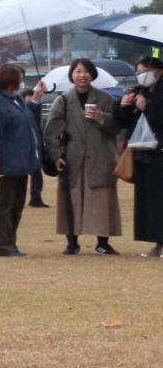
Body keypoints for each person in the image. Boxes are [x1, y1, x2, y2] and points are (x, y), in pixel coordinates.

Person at [43, 58, 121, 256]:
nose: (82, 75)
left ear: (92, 75)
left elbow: (117, 127)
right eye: (77, 71)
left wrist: (101, 117)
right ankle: (72, 242)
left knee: (102, 200)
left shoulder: (106, 99)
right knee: (71, 199)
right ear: (72, 75)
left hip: (101, 156)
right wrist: (55, 156)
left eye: (86, 71)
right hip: (72, 157)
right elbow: (51, 132)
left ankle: (103, 242)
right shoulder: (62, 101)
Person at [0, 64, 38, 258]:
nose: (22, 81)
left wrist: (34, 101)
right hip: (6, 162)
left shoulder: (16, 100)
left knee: (16, 205)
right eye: (20, 78)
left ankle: (10, 243)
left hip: (21, 162)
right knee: (4, 205)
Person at [113, 54, 163, 258]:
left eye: (144, 71)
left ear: (158, 71)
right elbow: (122, 121)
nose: (141, 76)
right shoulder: (138, 92)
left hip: (160, 152)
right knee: (147, 201)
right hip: (142, 154)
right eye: (138, 72)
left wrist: (147, 107)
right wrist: (123, 106)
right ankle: (157, 241)